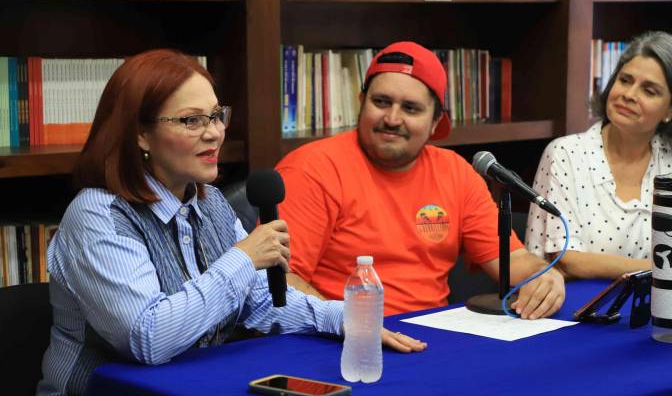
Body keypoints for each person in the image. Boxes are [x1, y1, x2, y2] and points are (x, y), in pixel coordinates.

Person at [37, 50, 425, 396]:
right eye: (191, 121)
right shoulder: (97, 215)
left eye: (217, 116)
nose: (215, 133)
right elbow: (148, 338)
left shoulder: (211, 204)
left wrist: (343, 318)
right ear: (141, 134)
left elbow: (260, 301)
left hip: (196, 383)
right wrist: (243, 257)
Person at [276, 41, 565, 319]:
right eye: (381, 102)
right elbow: (280, 282)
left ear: (436, 122)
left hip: (433, 341)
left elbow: (513, 261)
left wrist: (545, 277)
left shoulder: (456, 173)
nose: (392, 118)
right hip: (338, 342)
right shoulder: (311, 169)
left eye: (411, 108)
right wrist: (351, 326)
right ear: (361, 102)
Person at [525, 31, 672, 293]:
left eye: (649, 90)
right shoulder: (565, 154)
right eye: (625, 80)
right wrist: (670, 268)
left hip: (657, 298)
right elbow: (569, 259)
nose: (629, 94)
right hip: (575, 308)